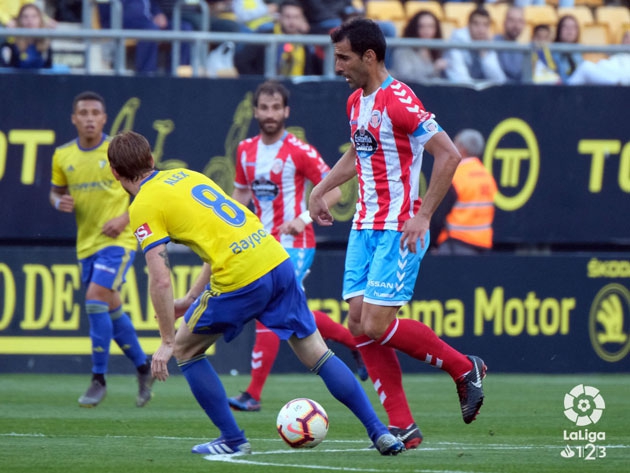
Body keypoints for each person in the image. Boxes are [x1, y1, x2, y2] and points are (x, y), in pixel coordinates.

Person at [106, 130, 405, 456]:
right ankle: (379, 432)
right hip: (276, 259)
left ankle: (233, 439)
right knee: (318, 354)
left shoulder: (143, 205)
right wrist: (192, 298)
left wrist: (165, 341)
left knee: (185, 350)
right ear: (151, 160)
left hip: (241, 275)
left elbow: (160, 278)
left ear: (115, 173)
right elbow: (217, 238)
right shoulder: (185, 175)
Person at [308, 18, 487, 435]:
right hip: (364, 226)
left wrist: (423, 216)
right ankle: (403, 426)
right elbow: (359, 151)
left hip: (397, 228)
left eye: (344, 57)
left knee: (375, 325)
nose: (337, 66)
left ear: (370, 57)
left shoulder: (400, 100)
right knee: (356, 322)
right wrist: (321, 188)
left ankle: (465, 369)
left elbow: (448, 156)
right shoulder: (356, 102)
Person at [227, 80, 367, 413]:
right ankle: (354, 342)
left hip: (296, 243)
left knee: (268, 307)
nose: (270, 113)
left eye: (277, 107)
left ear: (286, 111)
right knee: (294, 315)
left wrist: (304, 218)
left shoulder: (298, 150)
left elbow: (334, 191)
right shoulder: (245, 150)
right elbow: (240, 198)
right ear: (256, 111)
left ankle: (253, 394)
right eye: (265, 107)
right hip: (261, 244)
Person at [49, 91, 153, 408]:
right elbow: (54, 193)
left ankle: (98, 379)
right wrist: (58, 201)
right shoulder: (62, 156)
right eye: (84, 112)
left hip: (118, 243)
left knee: (95, 299)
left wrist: (125, 218)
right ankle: (143, 367)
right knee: (111, 308)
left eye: (96, 112)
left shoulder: (116, 152)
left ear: (105, 118)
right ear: (74, 118)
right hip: (87, 245)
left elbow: (150, 188)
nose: (90, 117)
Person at [430, 129, 498, 255]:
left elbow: (438, 215)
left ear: (462, 149)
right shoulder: (487, 176)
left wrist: (431, 244)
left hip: (455, 245)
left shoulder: (456, 176)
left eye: (454, 143)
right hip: (482, 246)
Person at [234, 0, 322, 76]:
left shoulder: (307, 42)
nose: (292, 22)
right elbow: (241, 61)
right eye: (287, 17)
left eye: (296, 17)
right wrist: (257, 83)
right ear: (279, 17)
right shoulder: (264, 37)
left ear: (302, 19)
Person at [444, 6, 506, 84]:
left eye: (485, 25)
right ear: (468, 25)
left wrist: (485, 55)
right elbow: (459, 77)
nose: (481, 29)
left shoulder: (487, 42)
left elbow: (499, 80)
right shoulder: (457, 40)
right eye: (476, 24)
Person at [390, 10, 448, 83]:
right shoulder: (403, 50)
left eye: (431, 26)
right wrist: (433, 69)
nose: (427, 31)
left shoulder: (438, 49)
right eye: (422, 26)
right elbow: (405, 78)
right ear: (414, 28)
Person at [0, 3, 52, 69]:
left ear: (40, 20)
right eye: (25, 16)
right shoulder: (8, 48)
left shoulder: (46, 47)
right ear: (19, 20)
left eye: (34, 16)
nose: (30, 20)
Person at [494, 5, 526, 83]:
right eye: (511, 20)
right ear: (504, 23)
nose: (516, 25)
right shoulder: (493, 43)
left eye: (519, 21)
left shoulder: (524, 49)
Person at [551, 14, 583, 83]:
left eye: (573, 27)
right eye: (565, 27)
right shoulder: (552, 52)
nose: (570, 30)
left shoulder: (579, 51)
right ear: (559, 30)